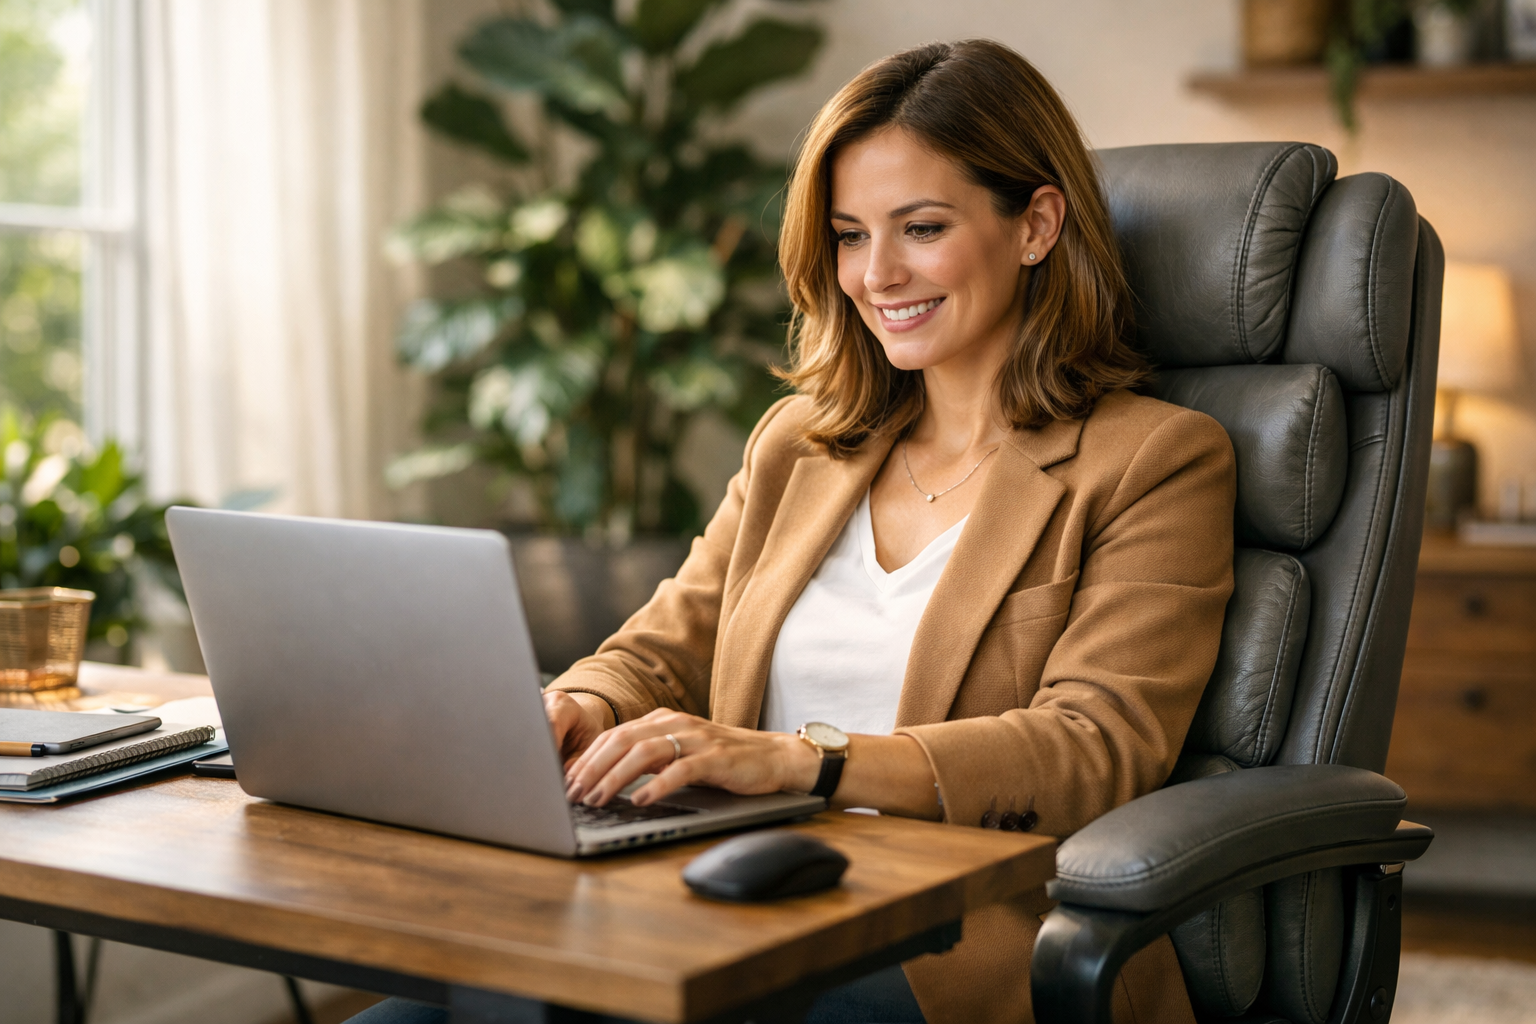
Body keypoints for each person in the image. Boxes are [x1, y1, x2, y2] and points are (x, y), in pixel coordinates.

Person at [352, 38, 1234, 1024]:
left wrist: (804, 760)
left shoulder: (1155, 460)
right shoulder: (801, 447)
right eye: (851, 235)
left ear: (1035, 225)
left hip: (959, 936)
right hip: (721, 892)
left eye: (923, 227)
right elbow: (663, 645)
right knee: (439, 1002)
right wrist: (579, 706)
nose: (878, 273)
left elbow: (1093, 746)